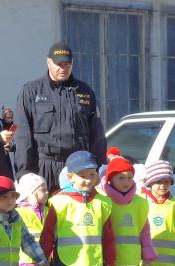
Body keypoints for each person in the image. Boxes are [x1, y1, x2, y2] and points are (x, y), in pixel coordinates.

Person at [13, 42, 106, 192]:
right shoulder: (32, 91)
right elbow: (23, 136)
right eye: (59, 64)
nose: (63, 68)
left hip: (77, 168)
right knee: (44, 213)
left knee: (76, 213)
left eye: (67, 64)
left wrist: (100, 167)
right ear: (48, 61)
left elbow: (97, 134)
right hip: (44, 166)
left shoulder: (85, 91)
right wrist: (24, 173)